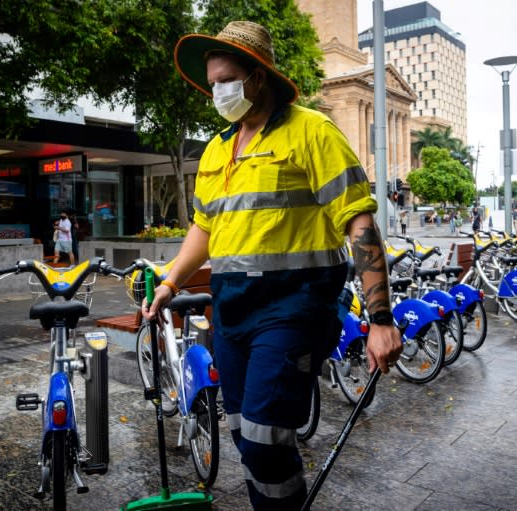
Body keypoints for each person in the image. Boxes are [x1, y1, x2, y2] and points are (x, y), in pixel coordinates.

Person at [146, 21, 402, 510]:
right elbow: (204, 227)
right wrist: (171, 280)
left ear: (258, 77)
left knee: (265, 439)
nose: (217, 92)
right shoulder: (218, 149)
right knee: (246, 436)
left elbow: (360, 224)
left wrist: (381, 319)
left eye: (227, 80)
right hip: (233, 313)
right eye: (213, 83)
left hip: (293, 308)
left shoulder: (312, 131)